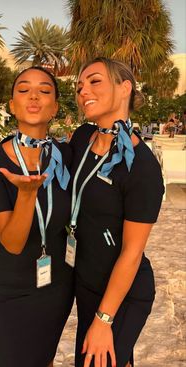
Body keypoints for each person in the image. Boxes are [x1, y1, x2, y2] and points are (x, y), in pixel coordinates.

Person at [0, 66, 74, 367]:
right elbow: (13, 242)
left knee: (43, 360)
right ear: (11, 105)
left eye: (44, 91)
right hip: (6, 287)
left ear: (55, 107)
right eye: (23, 90)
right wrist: (27, 194)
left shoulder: (67, 156)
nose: (34, 96)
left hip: (55, 286)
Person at [69, 57, 164, 367]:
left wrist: (104, 319)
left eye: (95, 81)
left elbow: (132, 253)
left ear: (125, 88)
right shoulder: (82, 138)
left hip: (122, 292)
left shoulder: (141, 165)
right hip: (87, 281)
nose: (83, 91)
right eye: (80, 85)